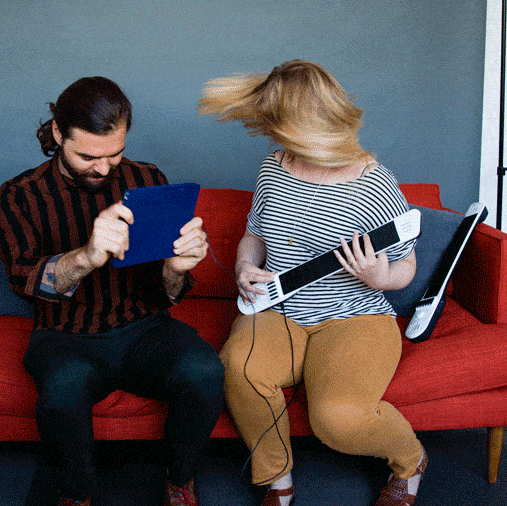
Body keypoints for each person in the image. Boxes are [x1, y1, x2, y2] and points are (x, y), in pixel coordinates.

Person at [198, 60, 427, 506]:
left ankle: (410, 459)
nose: (274, 138)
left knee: (337, 420)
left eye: (280, 126)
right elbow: (254, 237)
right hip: (278, 310)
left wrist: (379, 275)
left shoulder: (374, 184)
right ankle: (277, 479)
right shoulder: (274, 167)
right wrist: (246, 266)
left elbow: (407, 267)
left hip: (355, 316)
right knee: (239, 368)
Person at [0, 76, 224, 506]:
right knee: (61, 394)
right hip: (65, 336)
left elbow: (169, 291)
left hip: (144, 328)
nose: (103, 168)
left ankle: (180, 479)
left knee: (206, 371)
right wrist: (85, 255)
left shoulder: (148, 179)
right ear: (59, 134)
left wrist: (175, 268)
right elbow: (23, 282)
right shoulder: (19, 196)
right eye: (87, 156)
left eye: (114, 154)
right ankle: (77, 493)